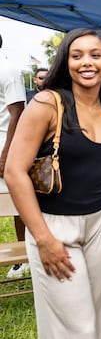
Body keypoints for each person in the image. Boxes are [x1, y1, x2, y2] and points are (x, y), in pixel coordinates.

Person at [4, 28, 101, 339]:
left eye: (96, 55)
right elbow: (14, 172)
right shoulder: (47, 104)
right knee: (77, 325)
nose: (87, 62)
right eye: (77, 55)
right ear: (65, 62)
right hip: (54, 226)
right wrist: (43, 239)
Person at [0, 33, 27, 279]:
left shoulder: (7, 69)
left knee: (18, 203)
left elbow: (17, 112)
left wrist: (7, 153)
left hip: (5, 150)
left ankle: (24, 260)